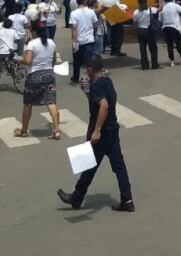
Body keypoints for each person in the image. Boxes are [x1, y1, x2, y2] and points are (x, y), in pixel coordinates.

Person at [57, 54, 135, 212]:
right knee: (118, 166)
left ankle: (77, 197)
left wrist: (97, 130)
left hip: (104, 132)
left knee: (88, 165)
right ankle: (127, 200)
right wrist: (86, 91)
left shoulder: (97, 85)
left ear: (90, 69)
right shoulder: (106, 81)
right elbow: (98, 101)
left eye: (87, 69)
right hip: (112, 130)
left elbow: (104, 106)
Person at [15, 29, 61, 140]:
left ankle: (24, 131)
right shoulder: (51, 42)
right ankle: (56, 130)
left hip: (34, 76)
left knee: (28, 104)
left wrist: (18, 60)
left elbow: (28, 61)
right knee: (51, 102)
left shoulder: (32, 44)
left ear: (35, 32)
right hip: (49, 74)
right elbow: (53, 60)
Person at [69, 0, 99, 82]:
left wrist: (74, 41)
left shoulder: (74, 13)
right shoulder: (91, 12)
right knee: (89, 60)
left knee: (77, 61)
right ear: (85, 1)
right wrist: (93, 33)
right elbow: (95, 24)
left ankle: (76, 77)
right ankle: (92, 77)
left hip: (79, 40)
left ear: (77, 2)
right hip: (89, 39)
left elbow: (74, 28)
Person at [160, 0, 181, 66]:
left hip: (165, 28)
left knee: (169, 45)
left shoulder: (164, 7)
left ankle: (172, 61)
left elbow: (160, 19)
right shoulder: (174, 6)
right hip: (174, 27)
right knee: (178, 44)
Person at [132, 0, 160, 70]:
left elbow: (135, 24)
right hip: (150, 30)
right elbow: (159, 10)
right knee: (153, 48)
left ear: (138, 2)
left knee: (142, 49)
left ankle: (145, 66)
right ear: (146, 1)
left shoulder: (136, 12)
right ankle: (154, 64)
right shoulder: (151, 9)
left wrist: (135, 33)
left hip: (141, 30)